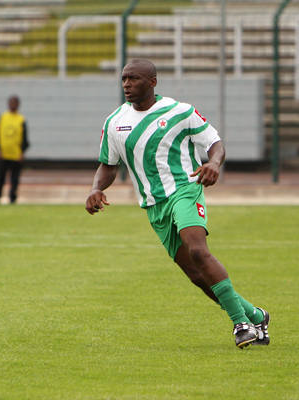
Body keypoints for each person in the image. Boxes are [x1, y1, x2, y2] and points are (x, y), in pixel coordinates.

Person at [85, 59, 270, 348]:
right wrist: (96, 188)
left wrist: (214, 163)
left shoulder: (179, 111)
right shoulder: (114, 122)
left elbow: (214, 142)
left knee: (197, 250)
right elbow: (108, 165)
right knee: (196, 276)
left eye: (134, 79)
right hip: (153, 204)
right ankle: (256, 315)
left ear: (153, 82)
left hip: (185, 188)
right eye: (124, 79)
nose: (127, 84)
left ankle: (241, 324)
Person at [0, 95, 29, 204]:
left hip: (16, 155)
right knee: (0, 178)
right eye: (11, 102)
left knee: (14, 179)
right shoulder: (3, 117)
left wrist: (22, 151)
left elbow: (25, 137)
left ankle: (12, 197)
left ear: (18, 105)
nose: (13, 104)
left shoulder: (21, 119)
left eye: (15, 102)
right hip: (3, 154)